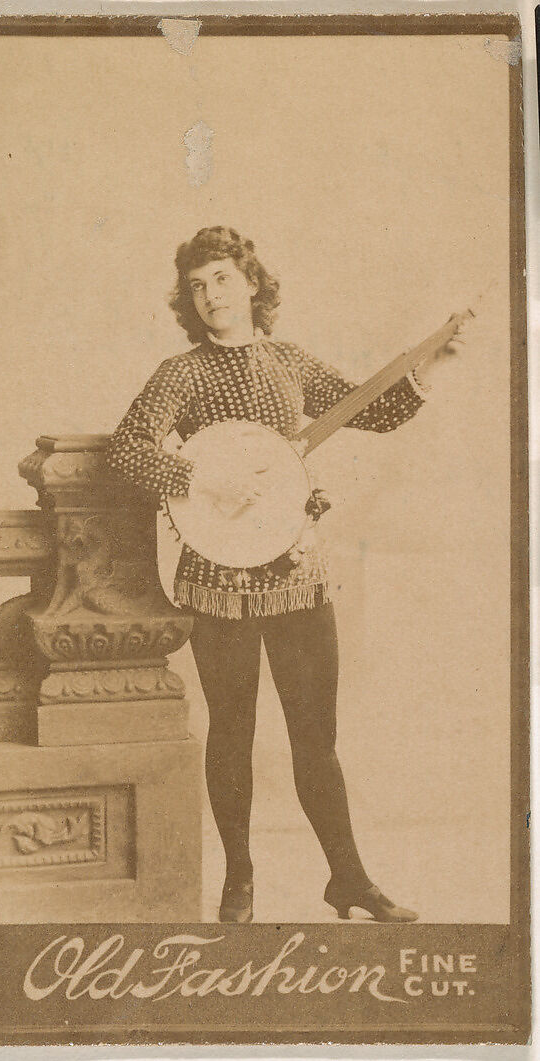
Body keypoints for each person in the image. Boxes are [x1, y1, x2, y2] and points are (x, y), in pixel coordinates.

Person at [106, 226, 457, 924]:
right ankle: (239, 880)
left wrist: (431, 364)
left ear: (252, 283)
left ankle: (348, 878)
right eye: (198, 285)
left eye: (223, 279)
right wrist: (206, 477)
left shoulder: (288, 361)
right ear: (189, 298)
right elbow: (129, 451)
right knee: (231, 729)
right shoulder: (183, 374)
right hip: (218, 577)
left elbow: (373, 409)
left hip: (295, 570)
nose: (211, 295)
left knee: (314, 734)